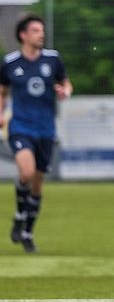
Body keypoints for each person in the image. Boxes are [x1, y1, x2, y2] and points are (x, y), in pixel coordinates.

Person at [0, 13, 72, 254]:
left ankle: (27, 231)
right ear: (23, 35)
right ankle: (20, 214)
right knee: (26, 172)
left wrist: (65, 91)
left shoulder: (52, 60)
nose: (41, 34)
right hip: (20, 126)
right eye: (36, 30)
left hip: (46, 129)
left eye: (42, 30)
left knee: (37, 184)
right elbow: (2, 92)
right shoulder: (10, 62)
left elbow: (66, 82)